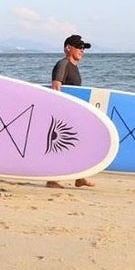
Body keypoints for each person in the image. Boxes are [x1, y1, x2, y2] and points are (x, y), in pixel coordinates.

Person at [46, 34, 96, 189]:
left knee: (78, 143)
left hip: (72, 113)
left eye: (83, 48)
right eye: (79, 47)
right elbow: (56, 86)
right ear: (68, 48)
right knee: (62, 145)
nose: (82, 50)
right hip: (62, 113)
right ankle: (52, 180)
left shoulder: (74, 67)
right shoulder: (63, 64)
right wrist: (61, 111)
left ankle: (79, 177)